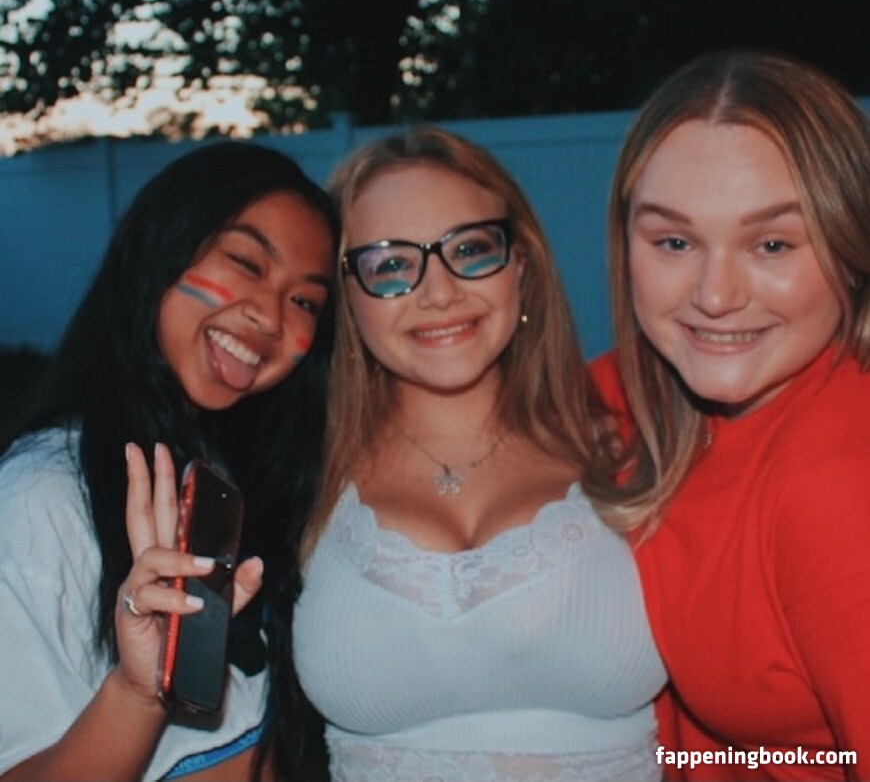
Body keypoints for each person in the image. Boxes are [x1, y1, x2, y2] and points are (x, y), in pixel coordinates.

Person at [292, 127, 666, 782]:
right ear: (346, 297)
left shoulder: (640, 444)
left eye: (469, 249)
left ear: (521, 264)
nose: (438, 292)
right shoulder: (292, 474)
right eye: (389, 265)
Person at [0, 141, 339, 781]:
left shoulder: (237, 473)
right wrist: (138, 692)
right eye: (246, 262)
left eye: (305, 302)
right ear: (160, 246)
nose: (271, 316)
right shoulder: (44, 495)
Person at [595, 49, 870, 780]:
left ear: (853, 250)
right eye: (675, 242)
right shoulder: (639, 394)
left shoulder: (838, 482)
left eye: (771, 244)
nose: (715, 297)